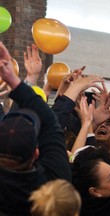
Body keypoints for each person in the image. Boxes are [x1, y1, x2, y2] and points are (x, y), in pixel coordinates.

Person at [0, 42, 71, 215]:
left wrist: (24, 80)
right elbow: (50, 122)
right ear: (36, 153)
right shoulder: (55, 188)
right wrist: (17, 80)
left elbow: (49, 122)